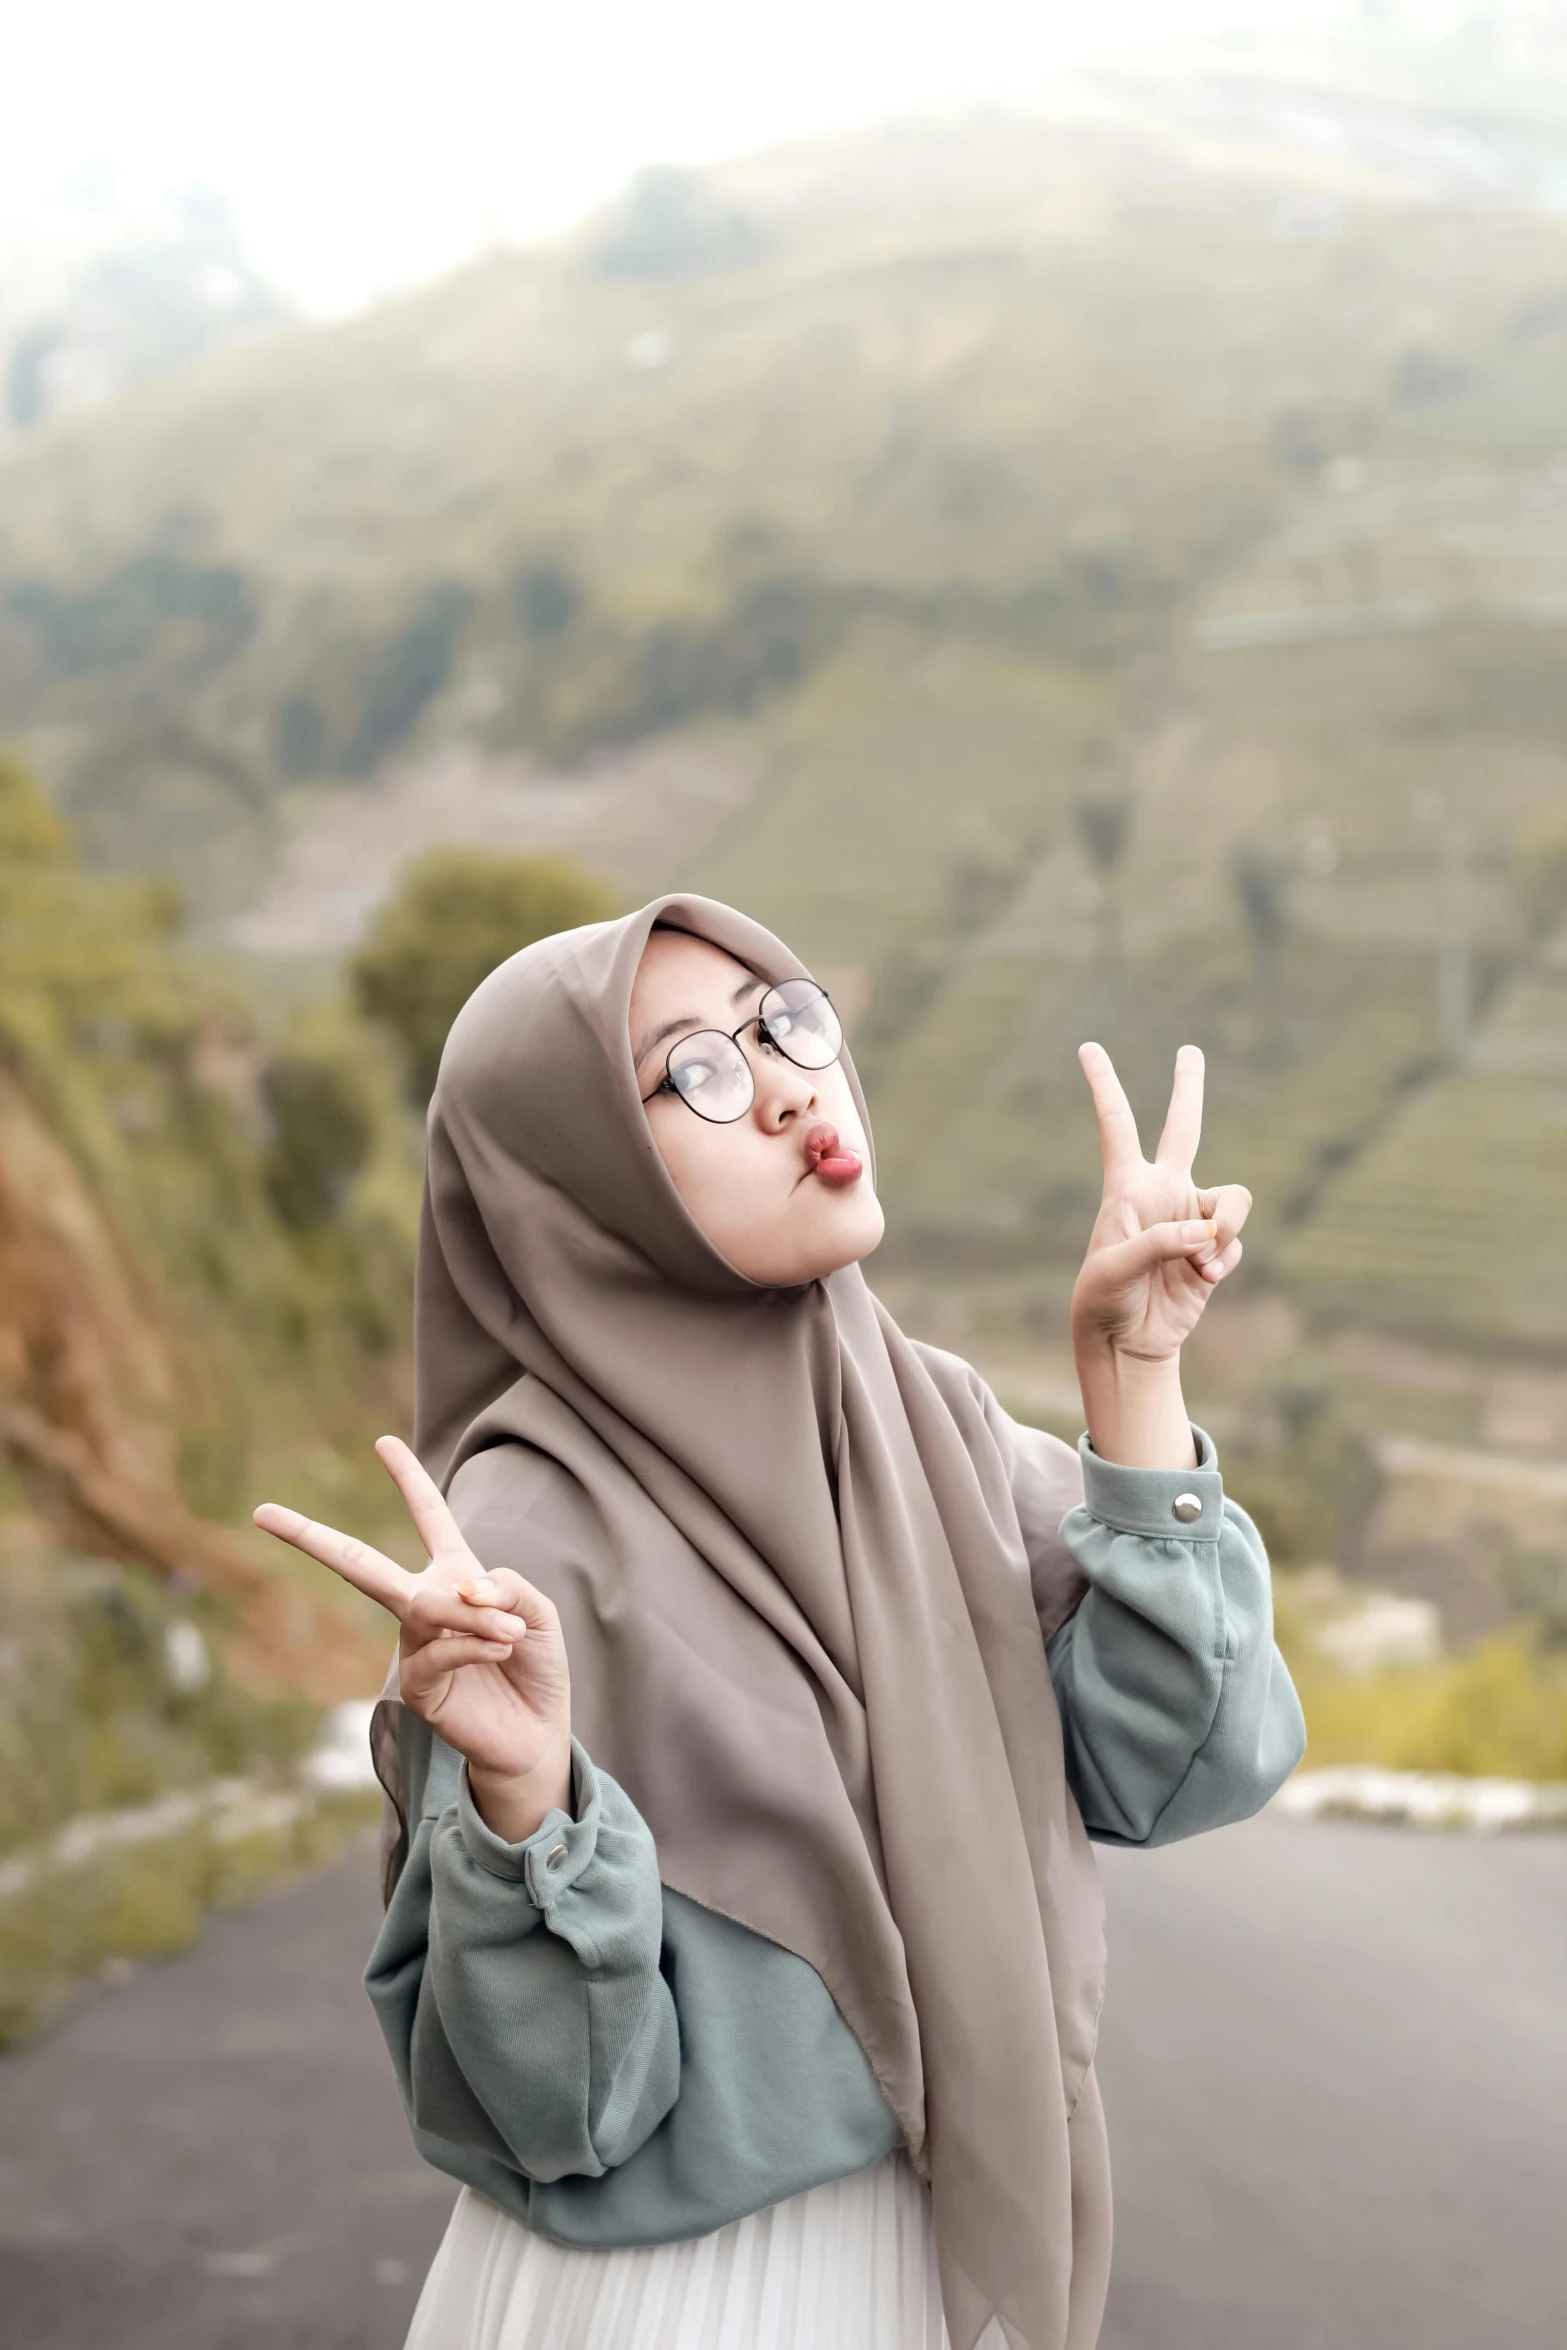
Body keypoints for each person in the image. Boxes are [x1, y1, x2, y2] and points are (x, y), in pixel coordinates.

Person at [255, 894, 1304, 2350]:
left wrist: (1131, 1385)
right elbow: (562, 2112)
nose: (790, 1084)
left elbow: (1187, 1767)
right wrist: (523, 1801)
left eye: (785, 1022)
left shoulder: (926, 1421)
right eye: (698, 1071)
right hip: (668, 2299)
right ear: (576, 1176)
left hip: (926, 2261)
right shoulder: (525, 1535)